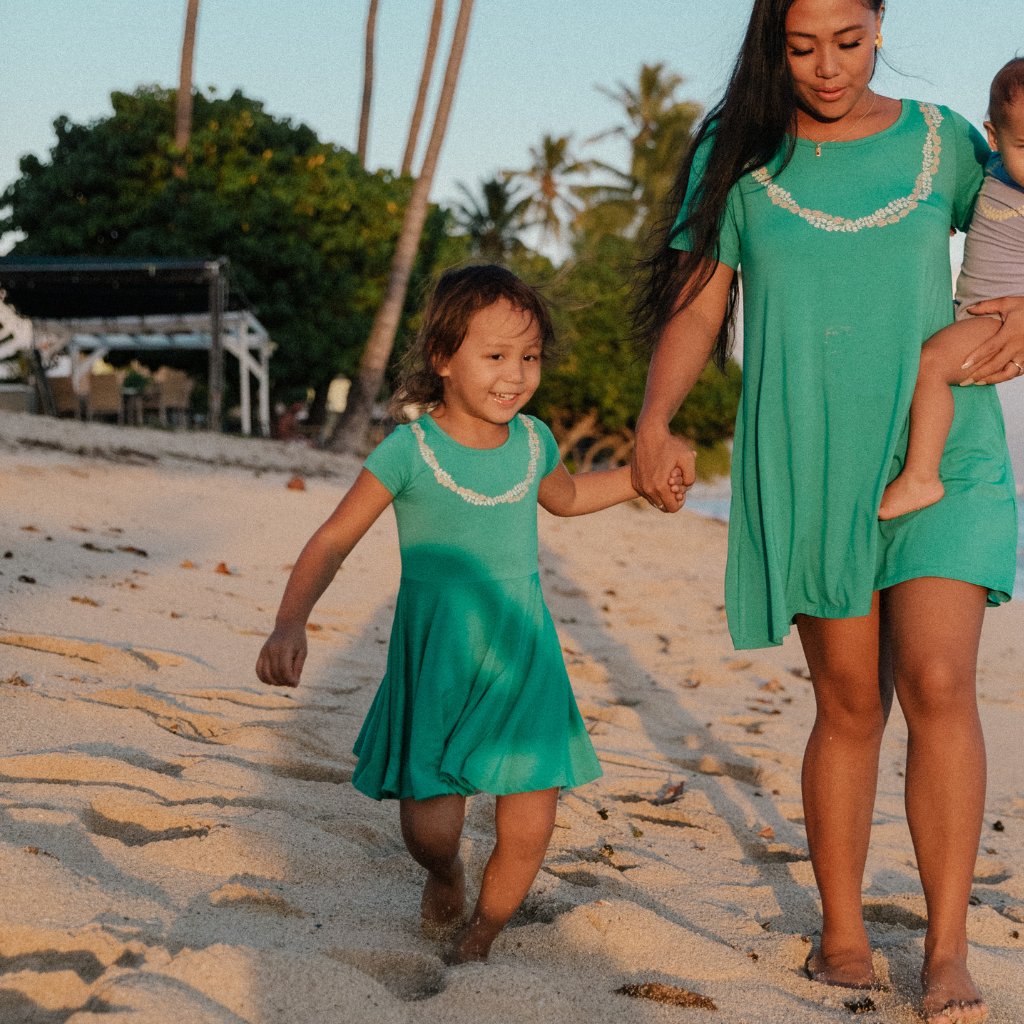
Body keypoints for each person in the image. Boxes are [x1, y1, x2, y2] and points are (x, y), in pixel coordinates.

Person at [630, 1, 1022, 1021]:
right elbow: (700, 300)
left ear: (879, 24)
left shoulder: (944, 142)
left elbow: (1017, 224)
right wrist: (656, 419)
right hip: (809, 452)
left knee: (940, 679)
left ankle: (946, 950)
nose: (827, 66)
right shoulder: (736, 153)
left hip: (944, 446)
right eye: (801, 47)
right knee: (849, 702)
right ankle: (842, 931)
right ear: (774, 42)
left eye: (847, 42)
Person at [257, 265, 682, 963]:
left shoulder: (534, 441)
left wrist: (642, 481)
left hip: (525, 658)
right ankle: (446, 873)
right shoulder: (410, 450)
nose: (515, 375)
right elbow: (333, 540)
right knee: (430, 830)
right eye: (495, 356)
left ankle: (481, 935)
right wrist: (289, 622)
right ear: (443, 358)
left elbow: (570, 498)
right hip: (440, 660)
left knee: (532, 818)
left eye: (530, 357)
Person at [880, 58, 1024, 520]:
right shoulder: (993, 171)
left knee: (927, 367)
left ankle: (922, 476)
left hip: (1001, 321)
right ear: (994, 137)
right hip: (978, 314)